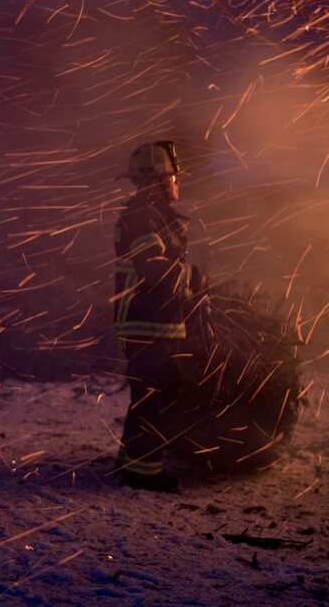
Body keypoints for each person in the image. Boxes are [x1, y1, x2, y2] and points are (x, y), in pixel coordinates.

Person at [113, 140, 207, 492]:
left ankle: (132, 462)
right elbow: (152, 267)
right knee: (158, 394)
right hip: (147, 322)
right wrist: (193, 278)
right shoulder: (145, 217)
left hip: (153, 320)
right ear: (158, 181)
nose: (176, 183)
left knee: (151, 394)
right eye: (173, 177)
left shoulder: (150, 215)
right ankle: (143, 472)